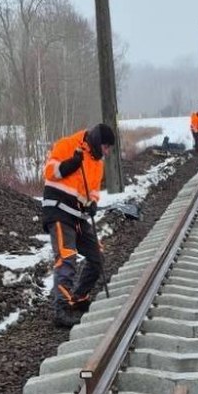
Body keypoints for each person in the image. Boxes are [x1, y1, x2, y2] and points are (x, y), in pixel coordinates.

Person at [42, 123, 115, 328]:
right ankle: (61, 309)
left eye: (109, 149)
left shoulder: (97, 163)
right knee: (67, 258)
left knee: (97, 257)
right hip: (58, 211)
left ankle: (78, 297)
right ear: (97, 142)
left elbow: (92, 191)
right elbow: (49, 172)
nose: (107, 152)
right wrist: (70, 165)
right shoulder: (67, 144)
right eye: (106, 147)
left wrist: (93, 203)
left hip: (78, 216)